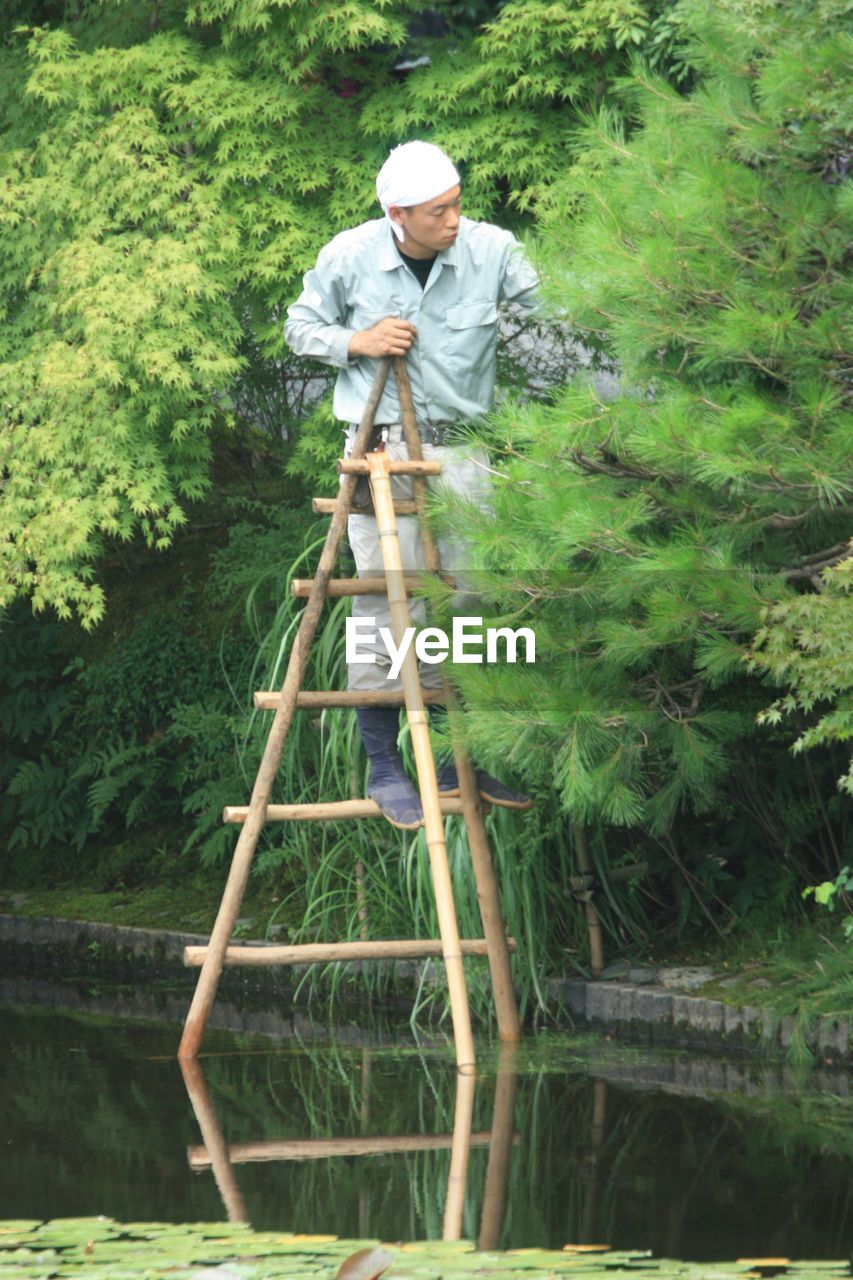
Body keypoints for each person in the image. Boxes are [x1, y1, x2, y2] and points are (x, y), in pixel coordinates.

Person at [285, 140, 538, 830]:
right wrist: (356, 342)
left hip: (463, 454)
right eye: (438, 211)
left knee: (469, 603)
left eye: (457, 202)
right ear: (398, 214)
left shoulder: (490, 249)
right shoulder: (351, 255)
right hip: (382, 453)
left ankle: (463, 758)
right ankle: (384, 763)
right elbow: (298, 326)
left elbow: (561, 303)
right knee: (386, 607)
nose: (454, 218)